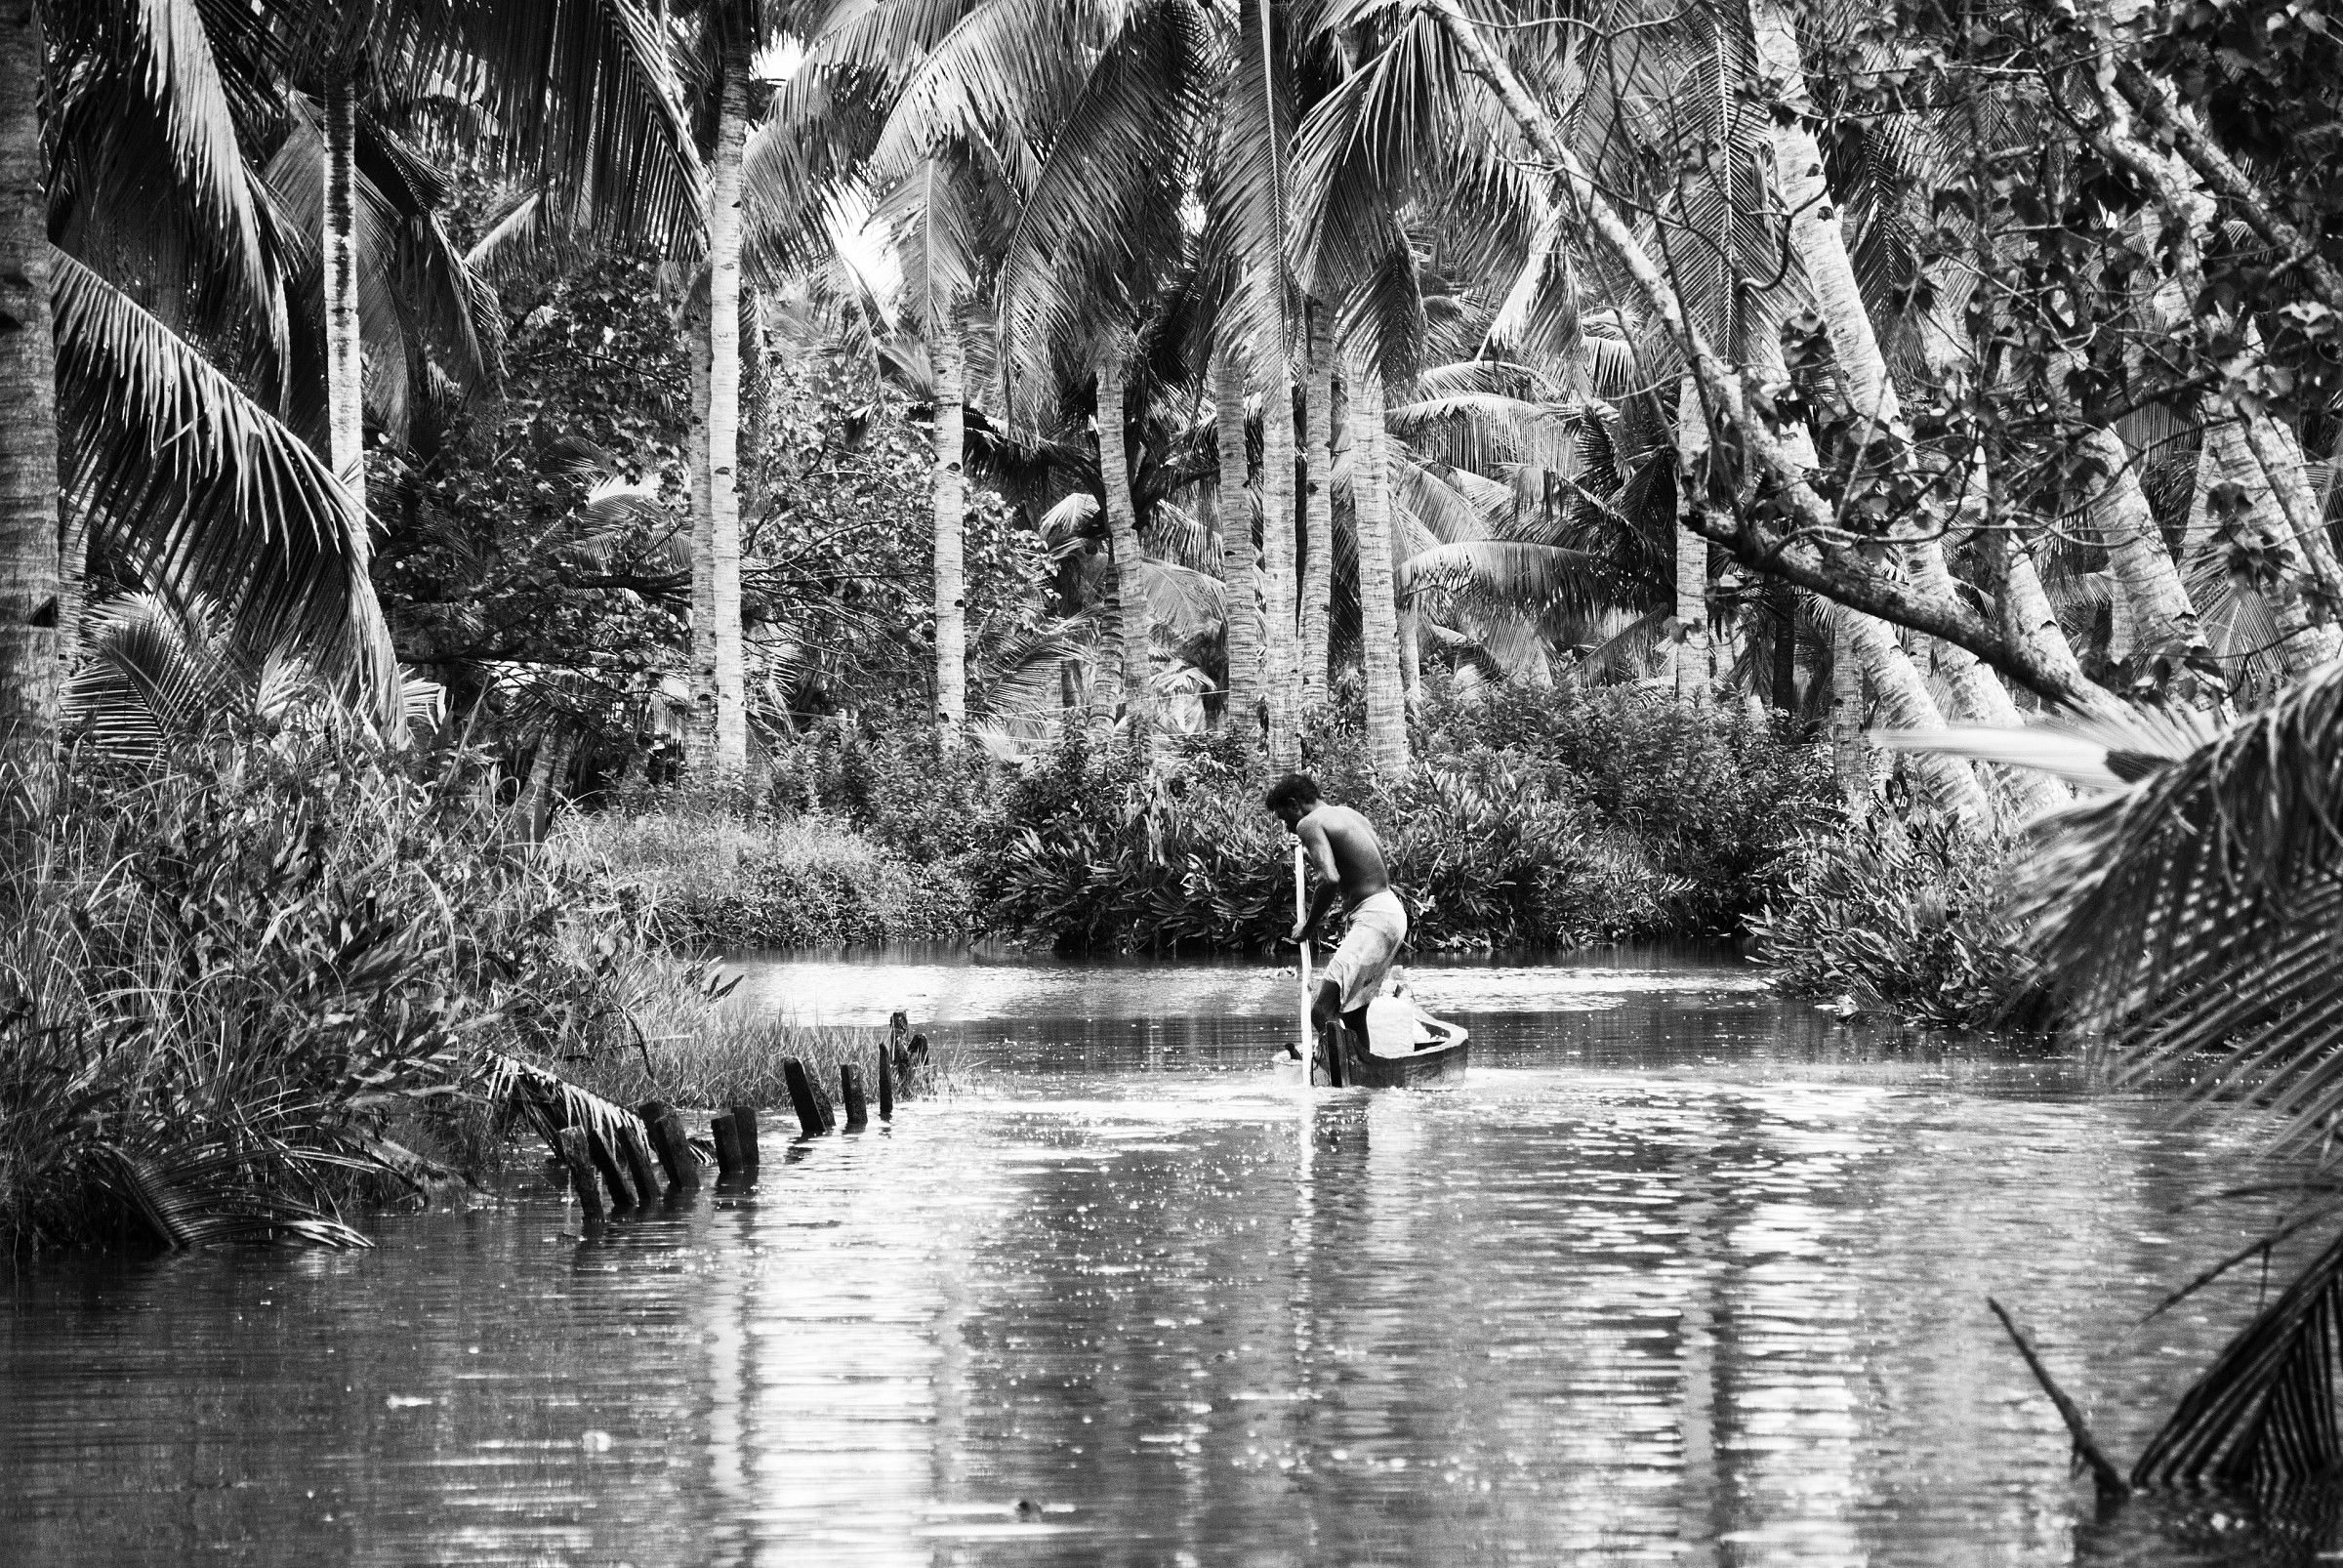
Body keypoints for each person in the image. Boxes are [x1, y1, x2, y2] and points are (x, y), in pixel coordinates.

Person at [1265, 772, 1408, 1060]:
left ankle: (1342, 1082)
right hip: (1391, 911)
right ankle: (1362, 1081)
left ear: (1295, 805)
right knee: (1354, 1014)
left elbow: (1329, 879)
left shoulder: (1309, 823)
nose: (1288, 828)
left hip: (1374, 919)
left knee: (1322, 1011)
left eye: (1285, 819)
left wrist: (1307, 927)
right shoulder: (1348, 814)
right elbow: (1369, 863)